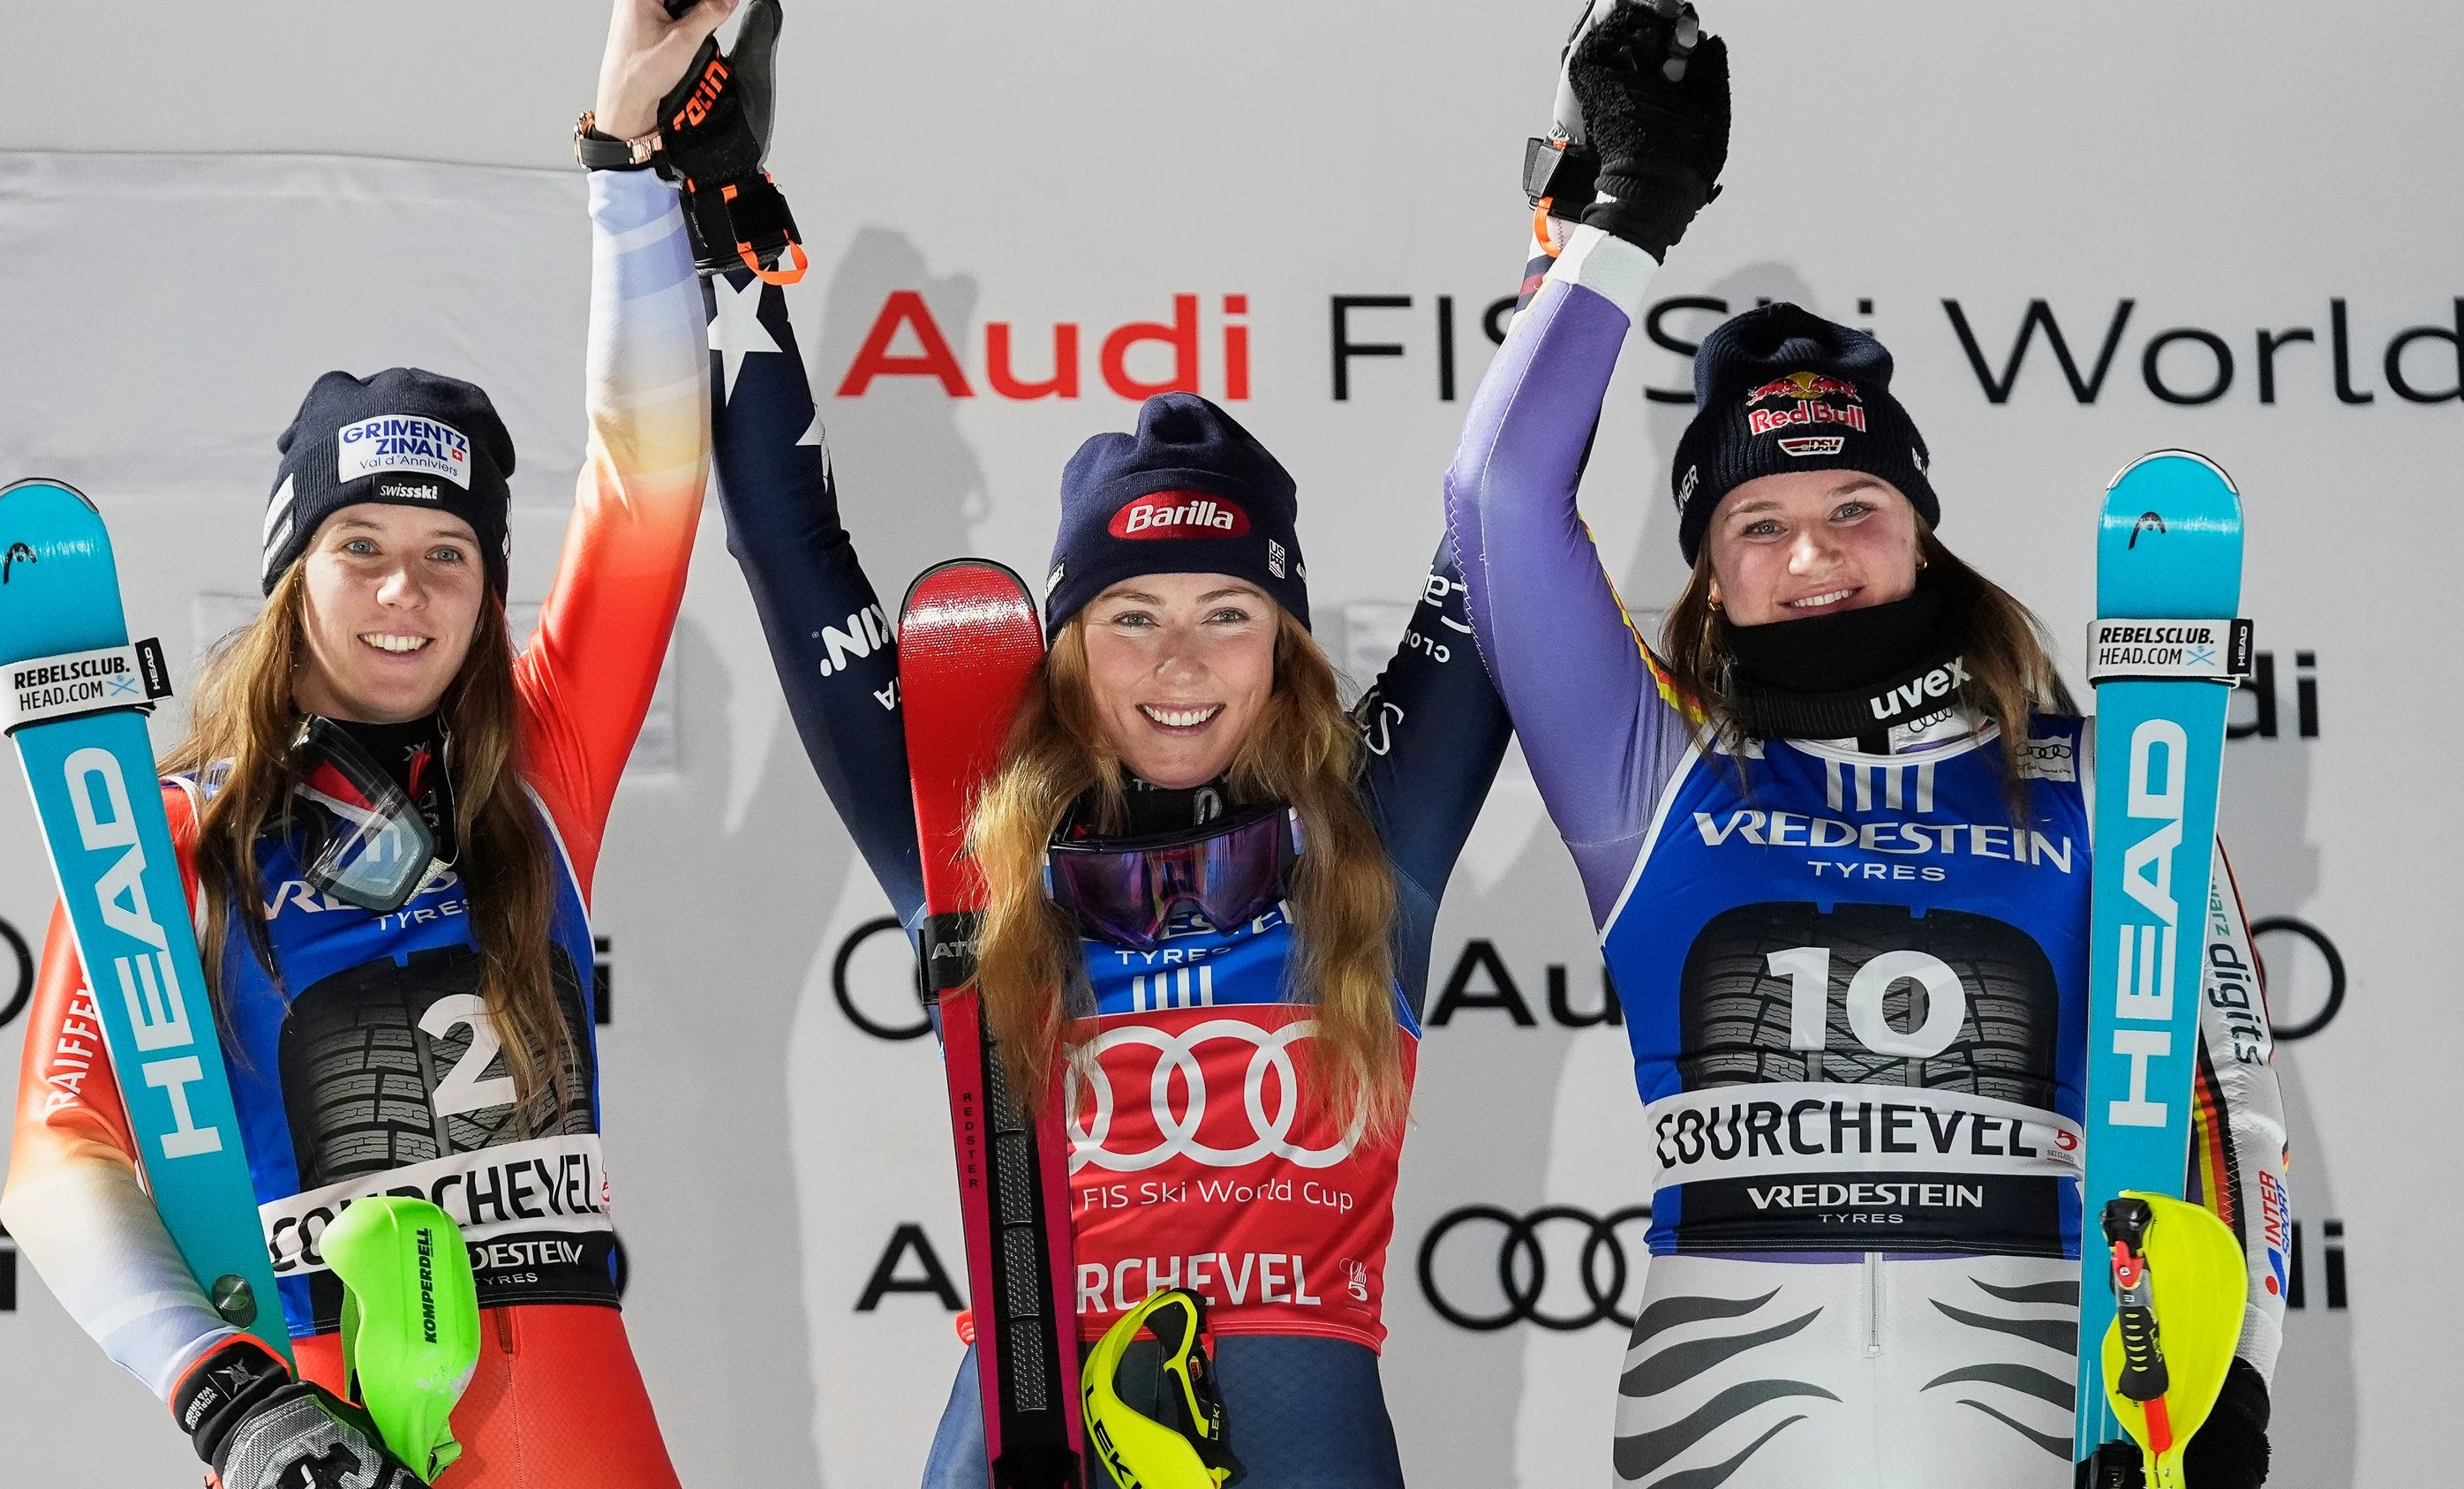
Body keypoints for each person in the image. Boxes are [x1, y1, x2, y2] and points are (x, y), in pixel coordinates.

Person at [1443, 6, 2287, 1487]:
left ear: (1920, 536)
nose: (1813, 553)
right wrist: (1624, 219)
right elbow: (1503, 497)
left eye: (1855, 510)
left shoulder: (2105, 778)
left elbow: (2231, 1115)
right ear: (1710, 570)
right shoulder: (1656, 778)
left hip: (2036, 1421)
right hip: (1724, 1425)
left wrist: (2222, 1396)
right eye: (1757, 524)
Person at [689, 66, 1553, 1489]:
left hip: (1305, 1430)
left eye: (1228, 615)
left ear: (1284, 646)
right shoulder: (977, 838)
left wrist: (1579, 246)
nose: (1180, 663)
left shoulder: (1371, 825)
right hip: (1028, 1421)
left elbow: (1502, 528)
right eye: (1131, 616)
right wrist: (725, 237)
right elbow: (792, 559)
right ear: (1065, 642)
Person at [0, 3, 742, 1483]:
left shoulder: (538, 769)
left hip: (567, 1404)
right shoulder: (168, 823)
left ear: (487, 589)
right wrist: (231, 1396)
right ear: (294, 574)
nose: (405, 590)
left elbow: (648, 476)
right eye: (360, 545)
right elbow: (55, 1157)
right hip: (317, 1424)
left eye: (448, 556)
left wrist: (624, 163)